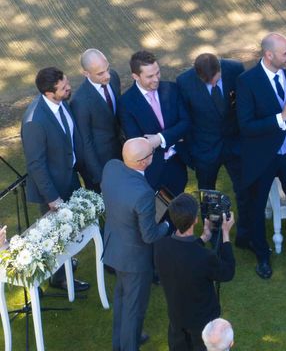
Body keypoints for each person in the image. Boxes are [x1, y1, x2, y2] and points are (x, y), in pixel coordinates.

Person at [236, 33, 286, 279]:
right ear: (269, 55)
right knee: (257, 208)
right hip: (262, 157)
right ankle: (262, 256)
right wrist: (281, 118)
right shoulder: (247, 81)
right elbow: (245, 125)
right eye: (285, 53)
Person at [20, 66, 89, 292]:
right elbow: (36, 164)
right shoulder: (34, 121)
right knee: (57, 235)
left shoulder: (62, 104)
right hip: (52, 188)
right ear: (49, 93)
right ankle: (59, 278)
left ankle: (65, 265)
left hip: (68, 177)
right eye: (63, 87)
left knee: (71, 229)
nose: (69, 87)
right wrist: (52, 198)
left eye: (66, 82)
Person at [102, 138, 171, 351]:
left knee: (122, 299)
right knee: (134, 307)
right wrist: (167, 224)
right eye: (151, 153)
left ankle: (120, 341)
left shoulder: (111, 167)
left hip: (115, 246)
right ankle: (129, 345)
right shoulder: (143, 195)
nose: (154, 155)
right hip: (135, 259)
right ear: (143, 162)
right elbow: (149, 235)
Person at [176, 53, 250, 247]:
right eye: (207, 81)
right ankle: (214, 236)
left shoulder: (235, 69)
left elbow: (244, 103)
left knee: (244, 189)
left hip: (235, 144)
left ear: (220, 69)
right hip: (205, 148)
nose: (213, 83)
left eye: (216, 78)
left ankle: (245, 234)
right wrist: (192, 151)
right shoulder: (184, 82)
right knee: (208, 197)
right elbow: (185, 119)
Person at [154, 193, 236, 351]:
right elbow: (228, 272)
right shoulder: (204, 257)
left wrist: (203, 238)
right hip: (203, 326)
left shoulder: (160, 246)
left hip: (177, 320)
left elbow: (183, 252)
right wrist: (225, 234)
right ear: (195, 220)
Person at [118, 51, 190, 196]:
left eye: (157, 73)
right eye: (150, 76)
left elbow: (186, 123)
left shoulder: (172, 89)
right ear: (135, 76)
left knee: (181, 212)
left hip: (178, 162)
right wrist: (175, 135)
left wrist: (159, 139)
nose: (156, 79)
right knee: (157, 214)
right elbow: (137, 142)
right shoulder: (126, 103)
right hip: (152, 170)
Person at [70, 49, 122, 192]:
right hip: (102, 164)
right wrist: (99, 177)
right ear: (86, 73)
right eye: (100, 73)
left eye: (107, 69)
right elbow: (85, 142)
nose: (107, 76)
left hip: (123, 155)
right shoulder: (79, 101)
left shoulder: (114, 77)